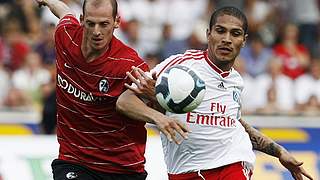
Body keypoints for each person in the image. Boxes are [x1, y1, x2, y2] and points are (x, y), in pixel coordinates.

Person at [116, 7, 314, 180]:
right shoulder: (181, 65)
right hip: (184, 171)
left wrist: (279, 151)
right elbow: (125, 101)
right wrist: (159, 117)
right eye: (220, 31)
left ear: (243, 41)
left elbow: (234, 124)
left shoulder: (236, 80)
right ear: (208, 33)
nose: (226, 39)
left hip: (232, 164)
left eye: (235, 34)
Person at [35, 0, 187, 179]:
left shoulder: (129, 64)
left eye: (104, 24)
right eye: (91, 23)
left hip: (122, 167)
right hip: (74, 160)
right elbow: (64, 11)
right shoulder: (65, 36)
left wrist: (157, 108)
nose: (97, 32)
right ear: (82, 20)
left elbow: (126, 102)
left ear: (116, 22)